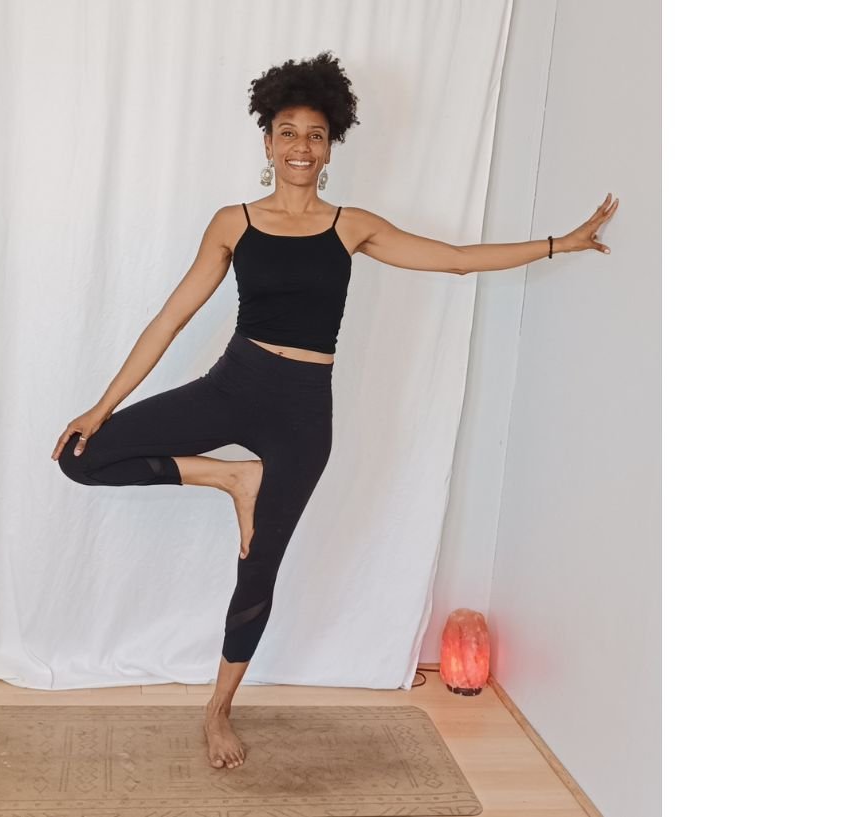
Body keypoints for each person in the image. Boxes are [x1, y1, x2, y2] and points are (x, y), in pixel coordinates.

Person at [51, 50, 619, 771]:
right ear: (267, 141)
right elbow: (168, 319)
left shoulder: (352, 226)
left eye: (314, 135)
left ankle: (218, 707)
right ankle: (231, 479)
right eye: (287, 132)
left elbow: (453, 259)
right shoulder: (233, 221)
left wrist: (555, 243)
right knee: (81, 455)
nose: (300, 146)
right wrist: (103, 406)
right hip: (234, 383)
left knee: (259, 568)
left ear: (331, 146)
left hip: (301, 414)